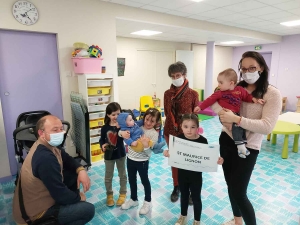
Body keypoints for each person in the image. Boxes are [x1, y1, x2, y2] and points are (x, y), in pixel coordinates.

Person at [212, 51, 281, 225]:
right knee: (230, 186)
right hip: (226, 140)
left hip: (248, 147)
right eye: (243, 69)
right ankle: (237, 221)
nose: (247, 72)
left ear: (262, 68)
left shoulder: (271, 94)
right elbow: (218, 107)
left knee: (239, 192)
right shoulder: (235, 88)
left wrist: (237, 120)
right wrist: (222, 115)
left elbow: (267, 126)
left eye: (252, 68)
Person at [12, 115, 95, 225]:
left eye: (61, 129)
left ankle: (68, 205)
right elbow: (60, 194)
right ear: (41, 133)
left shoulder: (48, 145)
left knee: (72, 174)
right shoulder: (45, 158)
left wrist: (81, 170)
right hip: (33, 215)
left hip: (36, 198)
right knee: (88, 210)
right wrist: (79, 197)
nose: (60, 132)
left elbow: (67, 159)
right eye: (55, 130)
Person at [163, 114, 223, 225]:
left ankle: (197, 220)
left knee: (196, 198)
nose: (189, 130)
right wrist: (167, 152)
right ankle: (183, 216)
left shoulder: (203, 141)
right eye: (186, 126)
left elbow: (208, 157)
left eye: (193, 127)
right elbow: (172, 153)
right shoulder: (179, 139)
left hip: (196, 176)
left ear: (197, 127)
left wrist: (217, 160)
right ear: (181, 126)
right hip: (182, 175)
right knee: (184, 196)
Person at [199, 68, 265, 158]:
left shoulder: (240, 90)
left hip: (235, 115)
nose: (218, 85)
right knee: (236, 126)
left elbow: (247, 96)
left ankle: (242, 145)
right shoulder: (219, 93)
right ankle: (240, 147)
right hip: (225, 114)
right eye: (218, 82)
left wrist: (255, 100)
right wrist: (200, 107)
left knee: (240, 126)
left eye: (221, 83)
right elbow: (209, 100)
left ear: (231, 83)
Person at [164, 61, 200, 203]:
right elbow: (167, 112)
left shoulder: (193, 94)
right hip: (171, 131)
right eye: (172, 76)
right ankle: (176, 186)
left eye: (178, 75)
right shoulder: (167, 94)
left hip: (188, 133)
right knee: (176, 161)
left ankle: (190, 189)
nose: (175, 78)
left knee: (189, 162)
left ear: (184, 75)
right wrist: (175, 124)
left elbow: (195, 116)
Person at [121, 108, 161, 214]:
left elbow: (149, 154)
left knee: (144, 181)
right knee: (132, 180)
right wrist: (122, 134)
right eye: (147, 119)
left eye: (152, 121)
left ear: (156, 122)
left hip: (143, 161)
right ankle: (134, 199)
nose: (148, 122)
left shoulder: (153, 134)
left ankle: (148, 202)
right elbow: (122, 130)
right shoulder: (136, 125)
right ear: (143, 118)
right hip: (130, 159)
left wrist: (146, 146)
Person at [100, 102, 129, 207]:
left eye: (118, 114)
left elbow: (121, 137)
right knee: (108, 176)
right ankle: (109, 195)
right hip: (108, 156)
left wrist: (118, 128)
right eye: (113, 114)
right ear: (108, 115)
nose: (116, 117)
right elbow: (101, 140)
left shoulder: (122, 126)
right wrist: (102, 145)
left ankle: (123, 193)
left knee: (122, 175)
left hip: (120, 154)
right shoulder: (104, 128)